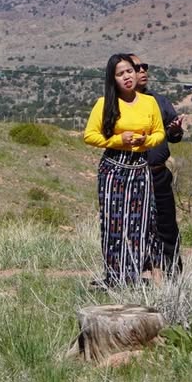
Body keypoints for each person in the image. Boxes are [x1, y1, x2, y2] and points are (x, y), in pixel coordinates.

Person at [83, 53, 165, 286]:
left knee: (141, 222)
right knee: (114, 222)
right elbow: (90, 135)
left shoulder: (149, 102)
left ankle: (136, 273)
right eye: (120, 74)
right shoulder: (104, 103)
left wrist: (144, 141)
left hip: (140, 166)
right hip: (114, 168)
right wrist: (118, 140)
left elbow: (159, 133)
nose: (127, 77)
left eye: (130, 71)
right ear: (113, 79)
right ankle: (115, 275)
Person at [130, 54, 184, 276]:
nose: (143, 70)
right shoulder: (118, 103)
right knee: (134, 225)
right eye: (137, 67)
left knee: (166, 225)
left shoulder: (159, 101)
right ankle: (135, 270)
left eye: (145, 67)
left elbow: (175, 136)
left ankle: (173, 272)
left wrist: (175, 129)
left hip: (158, 174)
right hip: (132, 175)